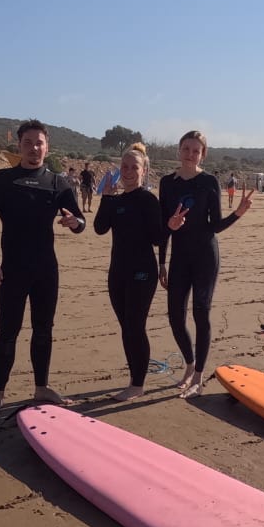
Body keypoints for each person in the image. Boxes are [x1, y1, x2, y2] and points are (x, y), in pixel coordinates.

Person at [0, 120, 86, 418]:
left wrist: (74, 222)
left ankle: (41, 387)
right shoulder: (2, 180)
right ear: (19, 145)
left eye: (39, 143)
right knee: (7, 331)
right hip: (11, 269)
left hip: (46, 270)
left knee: (43, 329)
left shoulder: (58, 183)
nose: (34, 148)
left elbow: (80, 221)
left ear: (47, 147)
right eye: (28, 142)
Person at [158, 130, 253, 398]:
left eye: (196, 151)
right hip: (179, 257)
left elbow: (215, 226)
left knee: (201, 313)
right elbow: (164, 227)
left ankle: (199, 375)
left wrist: (238, 213)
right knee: (175, 316)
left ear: (203, 155)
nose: (190, 154)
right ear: (179, 150)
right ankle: (189, 364)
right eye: (186, 149)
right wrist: (161, 262)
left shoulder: (209, 182)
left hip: (205, 257)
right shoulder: (167, 183)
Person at [94, 143, 165, 400]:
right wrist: (106, 198)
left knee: (135, 326)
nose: (128, 171)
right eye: (124, 167)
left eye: (134, 167)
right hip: (118, 272)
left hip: (142, 272)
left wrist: (170, 227)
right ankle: (134, 378)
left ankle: (137, 384)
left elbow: (158, 238)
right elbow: (100, 228)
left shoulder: (148, 200)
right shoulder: (116, 201)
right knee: (127, 327)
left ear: (144, 171)